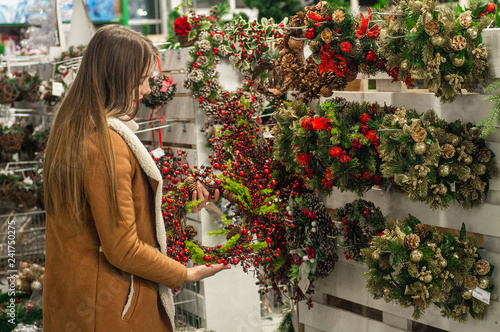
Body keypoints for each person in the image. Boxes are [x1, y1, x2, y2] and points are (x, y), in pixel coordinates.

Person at [43, 25, 229, 331]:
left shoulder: (71, 130)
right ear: (118, 78)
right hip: (110, 311)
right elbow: (123, 247)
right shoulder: (104, 142)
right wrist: (184, 274)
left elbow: (100, 213)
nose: (145, 90)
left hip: (77, 303)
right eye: (141, 80)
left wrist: (178, 199)